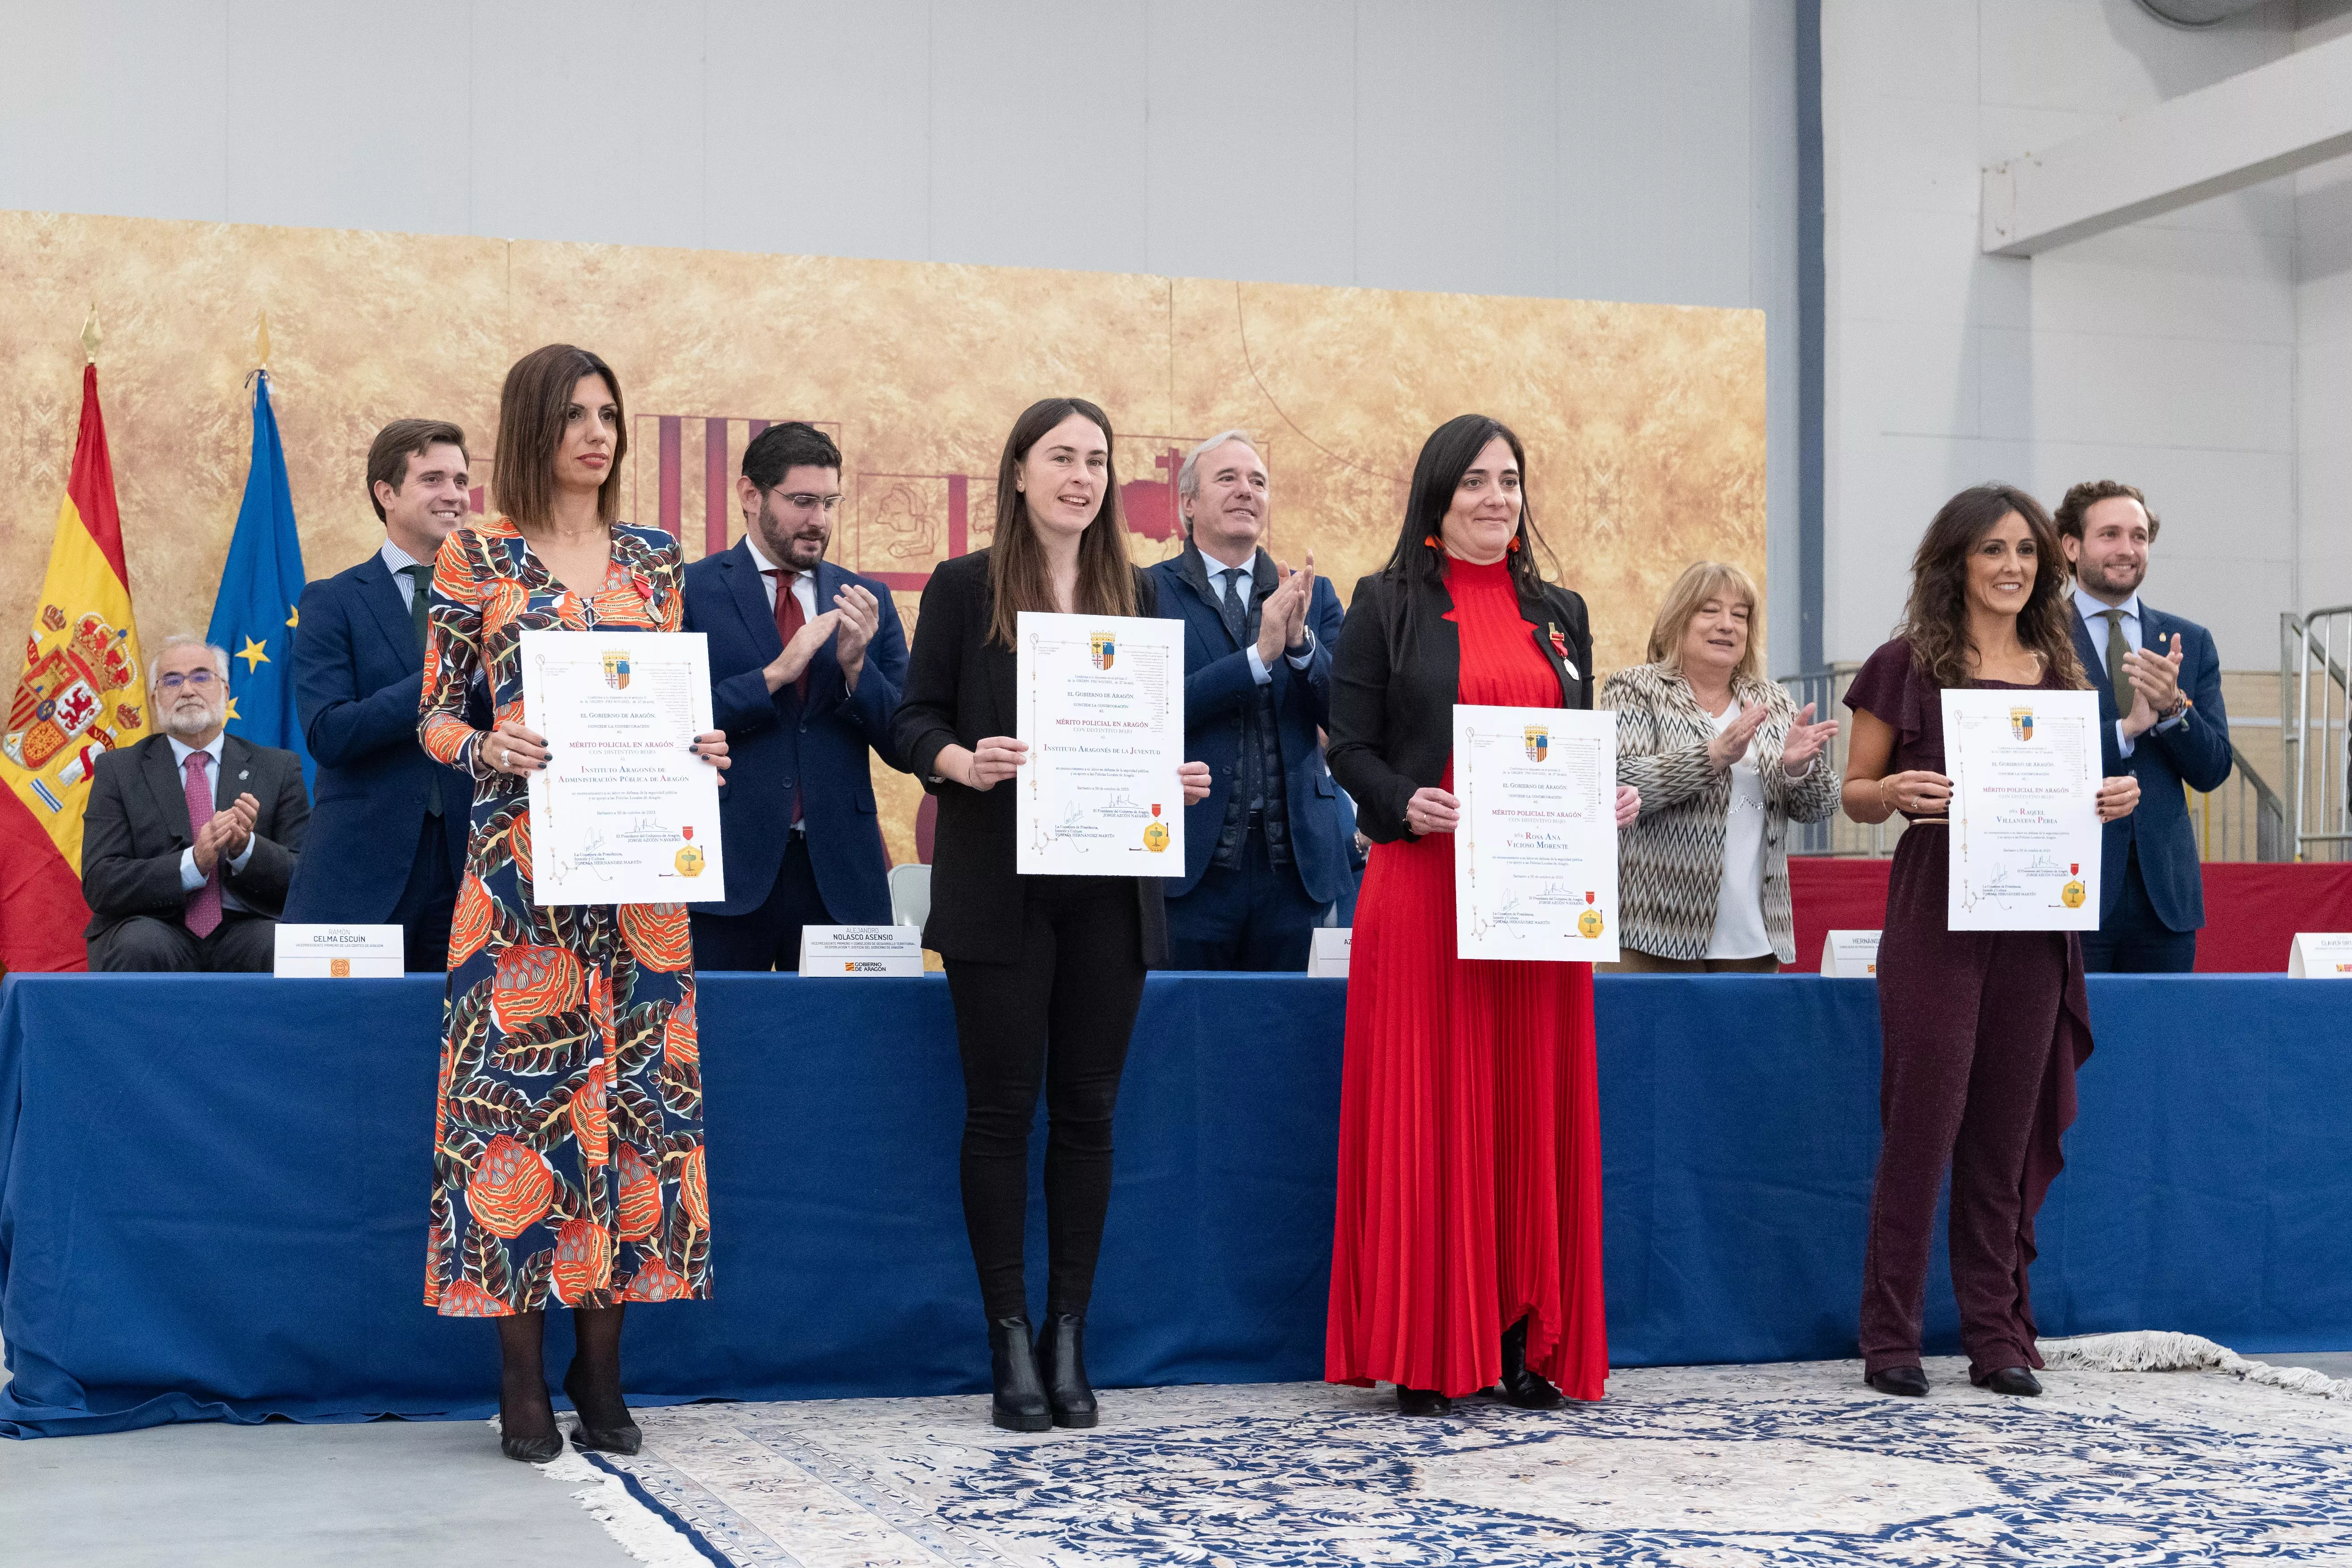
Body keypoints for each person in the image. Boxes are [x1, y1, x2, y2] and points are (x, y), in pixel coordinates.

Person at [418, 345, 731, 1464]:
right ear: (531, 426)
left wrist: (700, 743)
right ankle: (519, 1375)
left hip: (640, 887)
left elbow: (669, 700)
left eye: (608, 414)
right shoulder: (476, 552)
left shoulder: (654, 557)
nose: (596, 433)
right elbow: (434, 718)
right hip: (518, 884)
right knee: (518, 1119)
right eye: (573, 415)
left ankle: (603, 1368)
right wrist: (486, 740)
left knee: (634, 1115)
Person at [893, 397, 1211, 1434]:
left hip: (1112, 890)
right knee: (1000, 1111)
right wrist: (960, 761)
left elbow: (1147, 733)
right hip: (998, 885)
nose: (1080, 476)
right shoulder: (963, 585)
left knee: (1087, 1111)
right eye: (1061, 458)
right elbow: (910, 718)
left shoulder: (1138, 595)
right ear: (1018, 471)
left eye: (1096, 460)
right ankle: (1008, 1334)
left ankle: (1069, 1332)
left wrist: (1173, 777)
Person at [1323, 415, 1641, 1418]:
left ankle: (1521, 1335)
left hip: (1537, 905)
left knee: (1526, 1112)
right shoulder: (1383, 605)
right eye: (1473, 483)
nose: (1495, 499)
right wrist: (1400, 803)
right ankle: (1426, 1346)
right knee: (1431, 1110)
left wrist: (1607, 797)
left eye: (1508, 482)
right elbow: (1347, 745)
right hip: (1422, 890)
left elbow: (1571, 743)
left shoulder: (1561, 612)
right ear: (1435, 497)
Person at [1840, 484, 2140, 1400]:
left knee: (2002, 1137)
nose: (2011, 567)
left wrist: (2107, 798)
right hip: (1936, 910)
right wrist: (1890, 794)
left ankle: (1996, 1333)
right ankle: (1889, 1336)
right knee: (1921, 1128)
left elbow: (2072, 791)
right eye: (1991, 551)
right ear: (1955, 564)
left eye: (2023, 552)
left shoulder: (2063, 674)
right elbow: (1852, 789)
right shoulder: (1902, 664)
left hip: (2034, 918)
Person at [685, 422, 908, 969]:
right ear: (750, 495)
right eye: (803, 501)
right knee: (725, 1045)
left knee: (841, 1047)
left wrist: (857, 668)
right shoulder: (691, 590)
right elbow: (669, 725)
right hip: (726, 875)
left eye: (830, 502)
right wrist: (774, 676)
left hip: (842, 879)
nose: (819, 521)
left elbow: (905, 739)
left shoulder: (866, 599)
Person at [1146, 430, 1349, 970]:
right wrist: (1258, 657)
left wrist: (1302, 645)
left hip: (1296, 871)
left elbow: (1348, 718)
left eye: (1257, 481)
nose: (1246, 491)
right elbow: (1150, 712)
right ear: (1187, 503)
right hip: (1188, 868)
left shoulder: (1315, 593)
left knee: (1285, 1041)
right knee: (1185, 1035)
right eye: (1228, 478)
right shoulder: (1144, 592)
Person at [284, 420, 480, 972]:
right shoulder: (332, 601)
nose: (455, 495)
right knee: (350, 1042)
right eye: (433, 478)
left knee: (462, 1048)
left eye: (462, 481)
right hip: (360, 871)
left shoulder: (495, 603)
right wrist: (442, 676)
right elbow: (329, 732)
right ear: (386, 493)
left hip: (474, 870)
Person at [1600, 562, 1840, 972]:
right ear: (1679, 619)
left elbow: (1821, 806)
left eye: (1740, 615)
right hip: (1654, 931)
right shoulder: (1635, 688)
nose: (1727, 625)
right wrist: (1713, 755)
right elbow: (1621, 782)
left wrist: (1798, 770)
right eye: (1710, 610)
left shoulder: (1774, 699)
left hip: (1755, 937)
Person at [2055, 480, 2231, 973]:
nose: (2126, 549)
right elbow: (2035, 750)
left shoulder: (2189, 641)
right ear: (2071, 546)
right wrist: (2124, 729)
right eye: (2109, 534)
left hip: (2165, 900)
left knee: (2160, 1043)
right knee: (2072, 1048)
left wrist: (2175, 708)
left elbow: (2213, 769)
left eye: (2138, 536)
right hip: (2069, 889)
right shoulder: (2037, 635)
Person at [81, 635, 310, 971]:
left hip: (247, 928)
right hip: (156, 927)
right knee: (139, 944)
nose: (188, 690)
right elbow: (101, 882)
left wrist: (246, 849)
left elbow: (305, 878)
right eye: (172, 680)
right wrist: (192, 863)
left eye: (202, 676)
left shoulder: (278, 769)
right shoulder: (118, 770)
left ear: (226, 691)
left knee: (282, 945)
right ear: (155, 697)